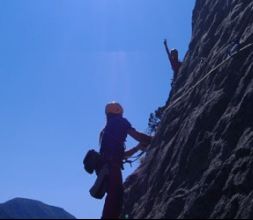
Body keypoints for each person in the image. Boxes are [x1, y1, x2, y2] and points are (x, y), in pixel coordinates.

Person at [99, 102, 152, 219]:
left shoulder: (107, 129)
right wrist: (155, 138)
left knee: (113, 196)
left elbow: (120, 155)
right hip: (112, 167)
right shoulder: (120, 121)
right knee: (116, 196)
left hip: (106, 168)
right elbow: (136, 135)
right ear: (119, 111)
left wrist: (137, 147)